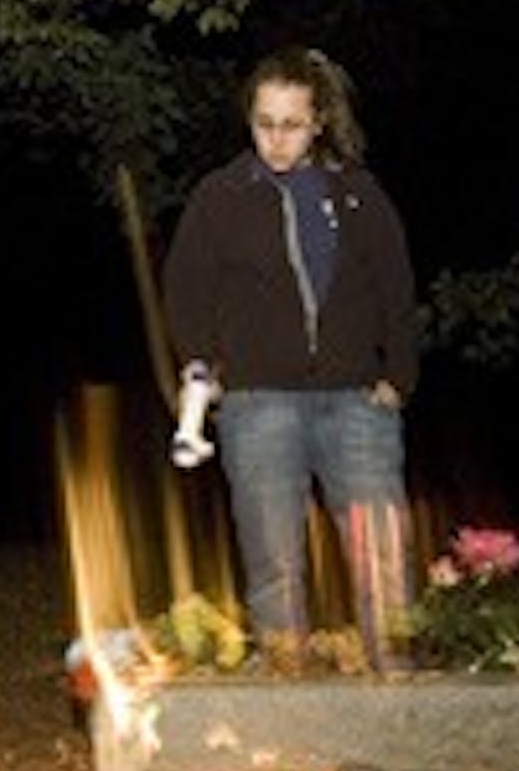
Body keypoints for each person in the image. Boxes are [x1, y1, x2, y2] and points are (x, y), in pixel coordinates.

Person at [162, 46, 419, 670]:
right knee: (275, 560)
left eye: (292, 124)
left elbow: (396, 284)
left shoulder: (358, 194)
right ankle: (285, 692)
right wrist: (204, 365)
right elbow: (184, 287)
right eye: (264, 123)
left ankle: (402, 691)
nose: (276, 139)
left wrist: (397, 376)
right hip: (257, 402)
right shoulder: (221, 196)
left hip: (356, 399)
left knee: (380, 557)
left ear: (319, 121)